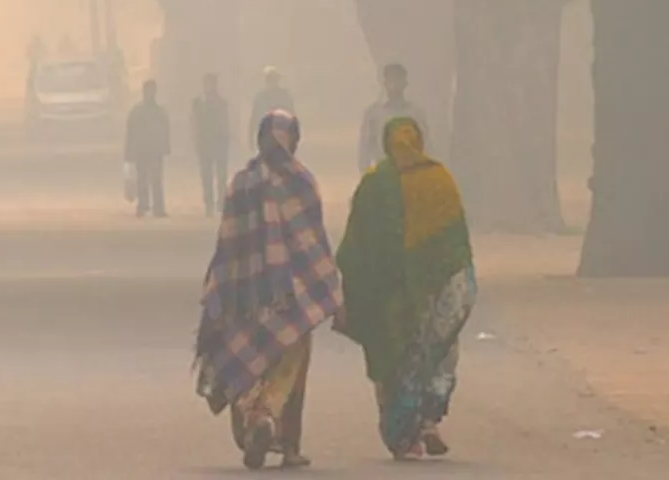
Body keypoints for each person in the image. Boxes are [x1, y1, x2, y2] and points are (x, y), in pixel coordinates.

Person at [194, 111, 343, 471]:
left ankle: (253, 420)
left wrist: (219, 290)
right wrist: (330, 286)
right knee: (292, 365)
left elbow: (228, 243)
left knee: (249, 361)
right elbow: (314, 242)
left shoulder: (241, 182)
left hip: (242, 296)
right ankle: (283, 437)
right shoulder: (302, 182)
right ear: (293, 140)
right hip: (293, 297)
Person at [334, 116, 478, 461]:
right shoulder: (439, 178)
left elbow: (355, 247)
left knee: (392, 360)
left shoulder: (374, 183)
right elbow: (457, 243)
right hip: (434, 289)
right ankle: (428, 421)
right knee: (436, 354)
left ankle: (403, 436)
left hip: (388, 298)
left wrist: (351, 291)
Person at [358, 62, 429, 172]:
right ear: (384, 83)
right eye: (391, 81)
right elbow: (365, 148)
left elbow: (427, 146)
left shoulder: (415, 113)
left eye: (398, 81)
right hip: (383, 173)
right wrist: (366, 176)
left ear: (405, 83)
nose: (394, 85)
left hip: (410, 173)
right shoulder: (374, 114)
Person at [125, 80, 171, 218]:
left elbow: (165, 130)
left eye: (153, 90)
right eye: (149, 90)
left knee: (156, 180)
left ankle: (158, 207)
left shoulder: (159, 111)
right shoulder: (137, 111)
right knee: (142, 179)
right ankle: (143, 205)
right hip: (141, 150)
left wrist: (165, 147)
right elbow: (130, 132)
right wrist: (129, 152)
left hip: (155, 150)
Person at [192, 73, 231, 217]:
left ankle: (220, 202)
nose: (210, 86)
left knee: (221, 175)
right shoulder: (198, 103)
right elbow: (195, 123)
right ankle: (208, 202)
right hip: (205, 143)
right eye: (207, 83)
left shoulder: (222, 103)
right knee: (206, 175)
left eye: (212, 83)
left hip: (219, 142)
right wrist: (196, 140)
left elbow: (224, 122)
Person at [248, 67, 295, 149]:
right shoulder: (261, 97)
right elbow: (255, 118)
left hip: (281, 135)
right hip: (267, 136)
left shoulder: (284, 96)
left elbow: (292, 116)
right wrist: (251, 137)